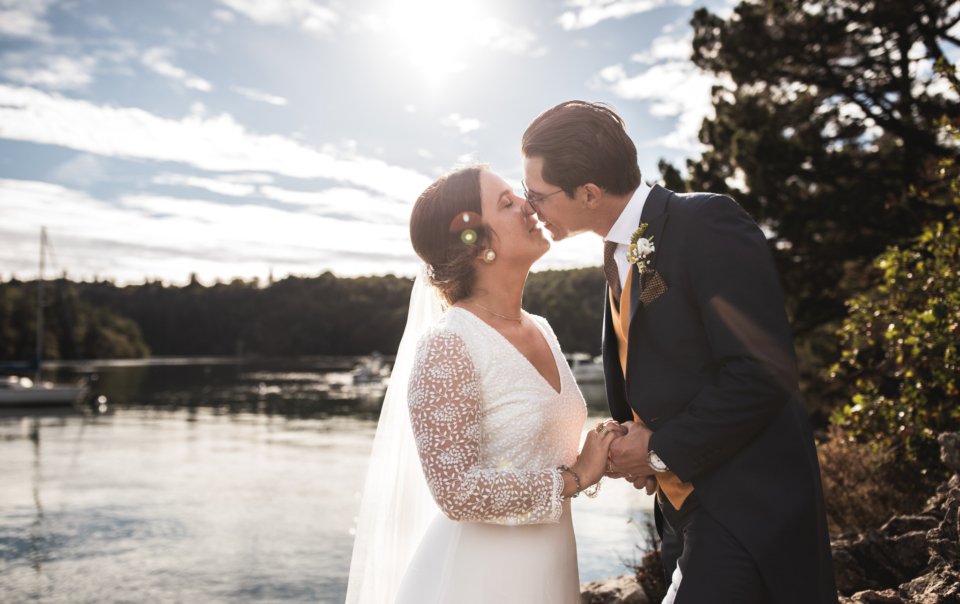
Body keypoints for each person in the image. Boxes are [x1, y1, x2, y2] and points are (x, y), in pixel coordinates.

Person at [521, 101, 838, 603]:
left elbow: (762, 371)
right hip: (679, 511)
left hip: (744, 507)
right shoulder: (614, 252)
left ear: (588, 192)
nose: (529, 206)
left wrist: (658, 447)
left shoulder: (706, 222)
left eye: (536, 194)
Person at [345, 165, 621, 604]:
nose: (528, 206)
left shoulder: (543, 329)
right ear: (477, 245)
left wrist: (607, 449)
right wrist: (574, 477)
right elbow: (456, 492)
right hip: (479, 581)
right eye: (507, 203)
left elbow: (543, 449)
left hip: (548, 572)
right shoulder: (450, 343)